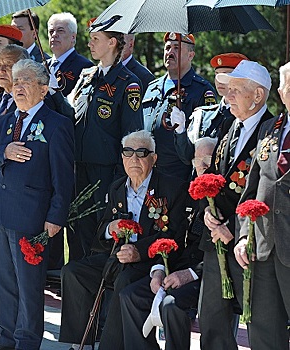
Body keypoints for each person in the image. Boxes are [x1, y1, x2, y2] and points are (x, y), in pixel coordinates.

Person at [59, 130, 188, 350]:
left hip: (151, 261)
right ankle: (80, 343)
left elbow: (173, 234)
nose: (134, 159)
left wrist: (139, 250)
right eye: (128, 152)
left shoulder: (171, 188)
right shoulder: (118, 187)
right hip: (118, 256)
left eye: (141, 152)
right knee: (73, 272)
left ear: (154, 158)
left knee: (124, 280)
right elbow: (102, 231)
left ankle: (110, 346)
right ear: (122, 157)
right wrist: (111, 228)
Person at [0, 58, 74, 350]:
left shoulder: (57, 125)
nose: (18, 86)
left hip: (32, 216)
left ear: (43, 89)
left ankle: (27, 341)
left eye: (26, 81)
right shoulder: (5, 121)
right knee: (2, 282)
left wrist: (56, 216)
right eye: (15, 81)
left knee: (28, 285)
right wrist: (3, 152)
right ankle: (6, 339)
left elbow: (64, 177)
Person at [200, 60, 273, 350]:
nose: (227, 96)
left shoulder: (272, 132)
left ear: (257, 96)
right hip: (216, 241)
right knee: (211, 322)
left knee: (259, 324)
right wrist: (209, 211)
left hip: (250, 242)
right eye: (227, 89)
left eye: (236, 90)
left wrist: (233, 228)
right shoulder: (231, 127)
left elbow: (266, 192)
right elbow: (218, 178)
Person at [119, 136, 217, 350]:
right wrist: (158, 270)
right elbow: (174, 239)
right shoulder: (190, 196)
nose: (203, 167)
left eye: (208, 160)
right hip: (176, 271)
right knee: (131, 295)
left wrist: (189, 273)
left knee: (170, 305)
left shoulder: (226, 198)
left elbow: (220, 254)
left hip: (209, 275)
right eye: (197, 162)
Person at [68, 22, 143, 261]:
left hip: (107, 172)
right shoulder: (86, 76)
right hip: (79, 166)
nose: (89, 43)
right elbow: (73, 116)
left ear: (112, 42)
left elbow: (131, 136)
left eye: (95, 38)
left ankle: (100, 288)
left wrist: (122, 180)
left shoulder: (128, 83)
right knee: (79, 228)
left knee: (102, 232)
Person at [233, 61, 290, 350]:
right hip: (264, 247)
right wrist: (244, 235)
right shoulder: (271, 128)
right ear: (281, 92)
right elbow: (251, 189)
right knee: (264, 331)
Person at [142, 32, 217, 181]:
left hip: (179, 176)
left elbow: (206, 141)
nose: (170, 52)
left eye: (177, 48)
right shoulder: (152, 87)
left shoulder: (201, 90)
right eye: (167, 48)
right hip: (147, 173)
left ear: (191, 55)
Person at [172, 52, 248, 167]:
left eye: (226, 75)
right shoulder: (203, 115)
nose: (219, 80)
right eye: (216, 74)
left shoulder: (246, 117)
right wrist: (180, 130)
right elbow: (188, 157)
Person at [47, 12, 93, 97]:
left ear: (73, 37)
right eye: (51, 31)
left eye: (60, 31)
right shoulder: (42, 65)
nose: (54, 35)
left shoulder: (85, 67)